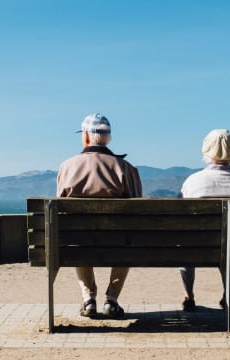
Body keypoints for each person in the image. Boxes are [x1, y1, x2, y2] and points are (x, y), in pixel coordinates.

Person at [56, 113, 143, 318]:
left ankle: (88, 300)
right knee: (126, 243)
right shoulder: (125, 169)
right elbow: (138, 207)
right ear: (108, 138)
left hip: (80, 241)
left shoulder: (67, 166)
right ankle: (111, 300)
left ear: (86, 136)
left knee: (77, 240)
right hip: (118, 241)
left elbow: (59, 209)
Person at [178, 129, 230, 312]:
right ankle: (227, 294)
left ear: (205, 150)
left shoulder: (193, 181)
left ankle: (189, 296)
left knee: (184, 246)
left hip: (196, 247)